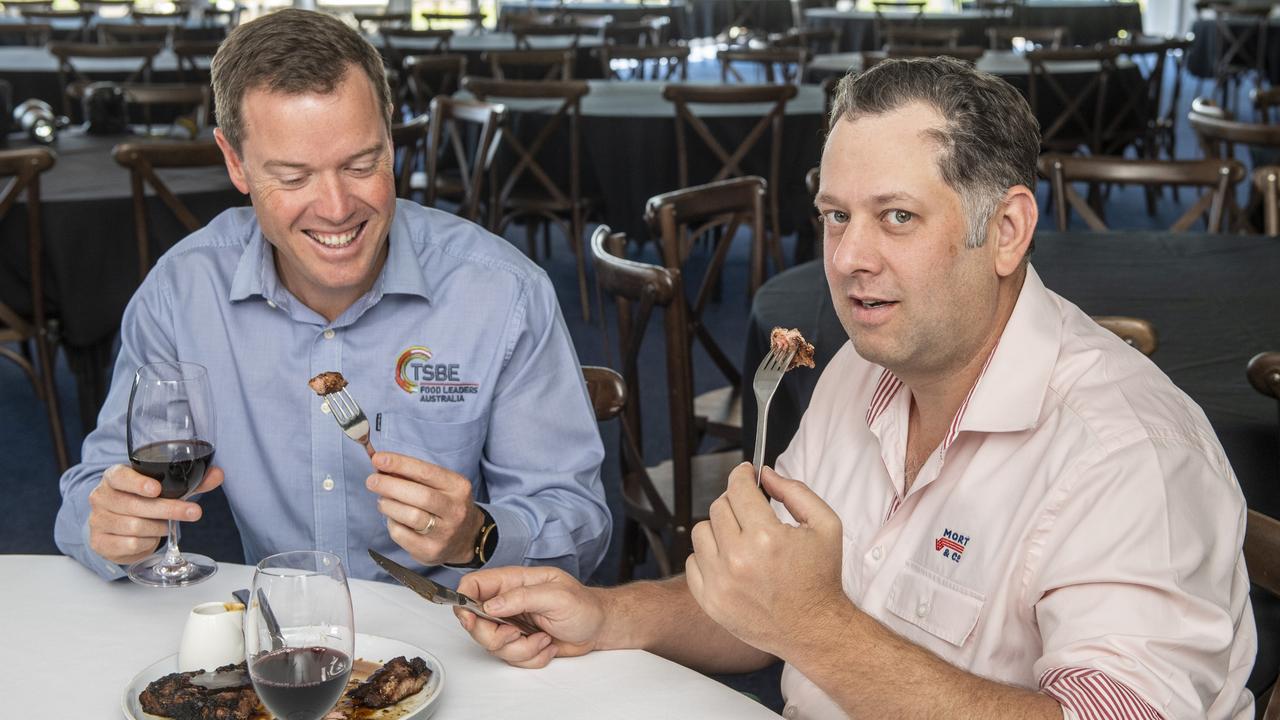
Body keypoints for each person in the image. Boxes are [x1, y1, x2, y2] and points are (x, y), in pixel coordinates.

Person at [450, 57, 1257, 719]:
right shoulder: (858, 371)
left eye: (896, 217)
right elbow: (763, 606)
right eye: (836, 217)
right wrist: (607, 617)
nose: (848, 258)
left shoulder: (1129, 455)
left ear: (1006, 231)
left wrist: (816, 627)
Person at [54, 8, 610, 585]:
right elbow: (88, 500)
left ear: (391, 137)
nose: (338, 208)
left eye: (362, 164)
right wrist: (112, 526)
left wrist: (477, 535)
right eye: (294, 178)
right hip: (276, 642)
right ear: (234, 162)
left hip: (456, 630)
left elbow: (581, 528)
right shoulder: (182, 291)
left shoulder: (501, 291)